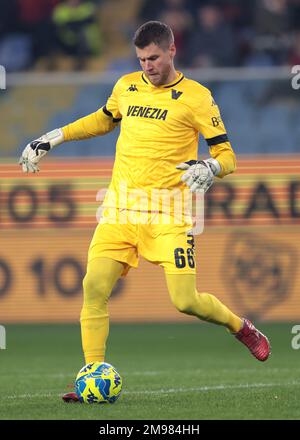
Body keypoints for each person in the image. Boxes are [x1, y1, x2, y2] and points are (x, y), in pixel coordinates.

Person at [19, 21, 270, 403]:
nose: (147, 66)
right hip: (120, 209)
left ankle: (241, 327)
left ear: (171, 51)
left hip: (170, 213)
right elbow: (103, 120)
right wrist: (52, 137)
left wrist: (210, 167)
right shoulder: (126, 86)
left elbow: (227, 155)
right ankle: (92, 374)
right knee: (93, 287)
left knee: (184, 300)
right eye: (141, 59)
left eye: (153, 58)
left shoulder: (197, 97)